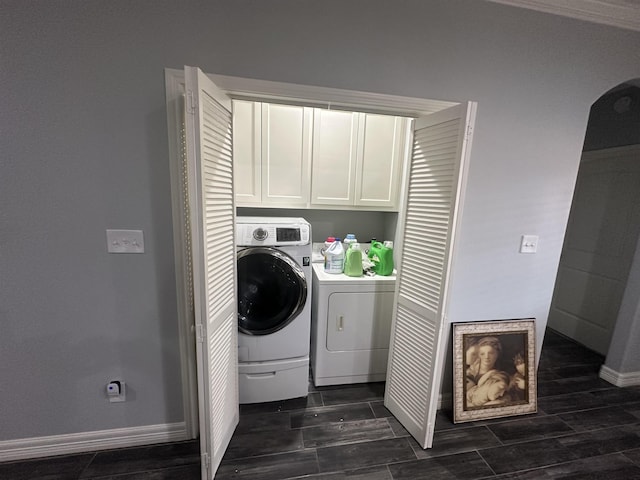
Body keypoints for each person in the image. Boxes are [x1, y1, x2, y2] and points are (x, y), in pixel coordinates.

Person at [465, 336, 511, 407]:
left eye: (491, 353)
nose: (486, 357)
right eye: (482, 354)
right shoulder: (470, 371)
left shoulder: (498, 376)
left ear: (497, 354)